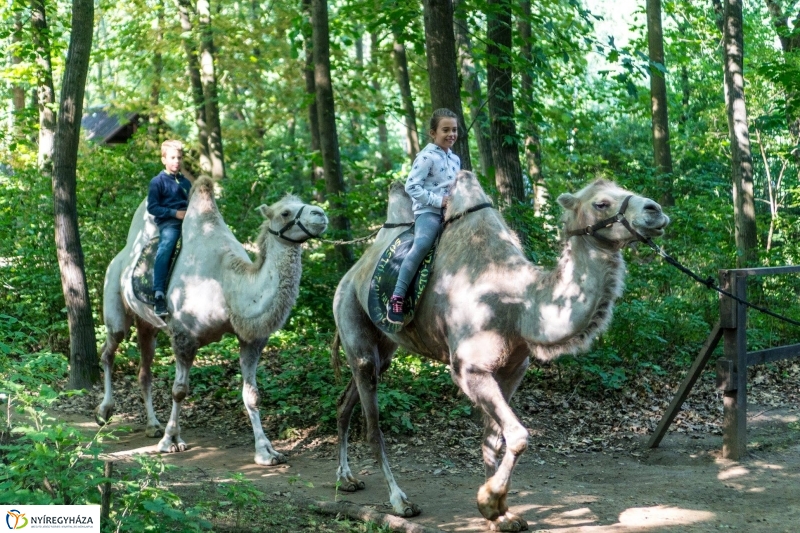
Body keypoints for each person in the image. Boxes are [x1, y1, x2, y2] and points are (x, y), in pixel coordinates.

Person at [386, 108, 460, 325]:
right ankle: (397, 297)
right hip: (429, 212)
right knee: (422, 244)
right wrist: (439, 201)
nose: (451, 134)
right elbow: (411, 186)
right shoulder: (426, 157)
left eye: (454, 130)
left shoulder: (455, 159)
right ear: (433, 133)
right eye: (445, 130)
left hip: (453, 213)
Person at [147, 140, 192, 317]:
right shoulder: (157, 182)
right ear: (163, 159)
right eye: (172, 158)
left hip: (191, 221)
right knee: (166, 247)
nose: (176, 161)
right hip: (170, 222)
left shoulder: (186, 183)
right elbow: (153, 207)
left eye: (179, 158)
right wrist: (175, 213)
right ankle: (158, 293)